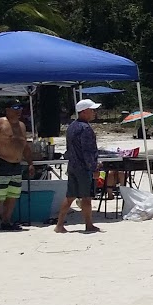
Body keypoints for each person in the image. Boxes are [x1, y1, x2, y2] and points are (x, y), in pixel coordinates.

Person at [55, 99, 103, 234]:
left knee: (70, 196)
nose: (94, 113)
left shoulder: (71, 127)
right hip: (83, 167)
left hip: (73, 165)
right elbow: (87, 151)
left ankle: (59, 225)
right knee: (86, 196)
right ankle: (89, 225)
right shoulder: (85, 128)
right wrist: (94, 168)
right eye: (92, 110)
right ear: (84, 111)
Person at [0, 103, 31, 232]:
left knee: (12, 195)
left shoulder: (21, 126)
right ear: (7, 109)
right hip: (1, 162)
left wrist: (30, 163)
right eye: (15, 108)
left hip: (16, 164)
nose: (18, 111)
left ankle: (6, 221)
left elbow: (25, 145)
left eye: (20, 108)